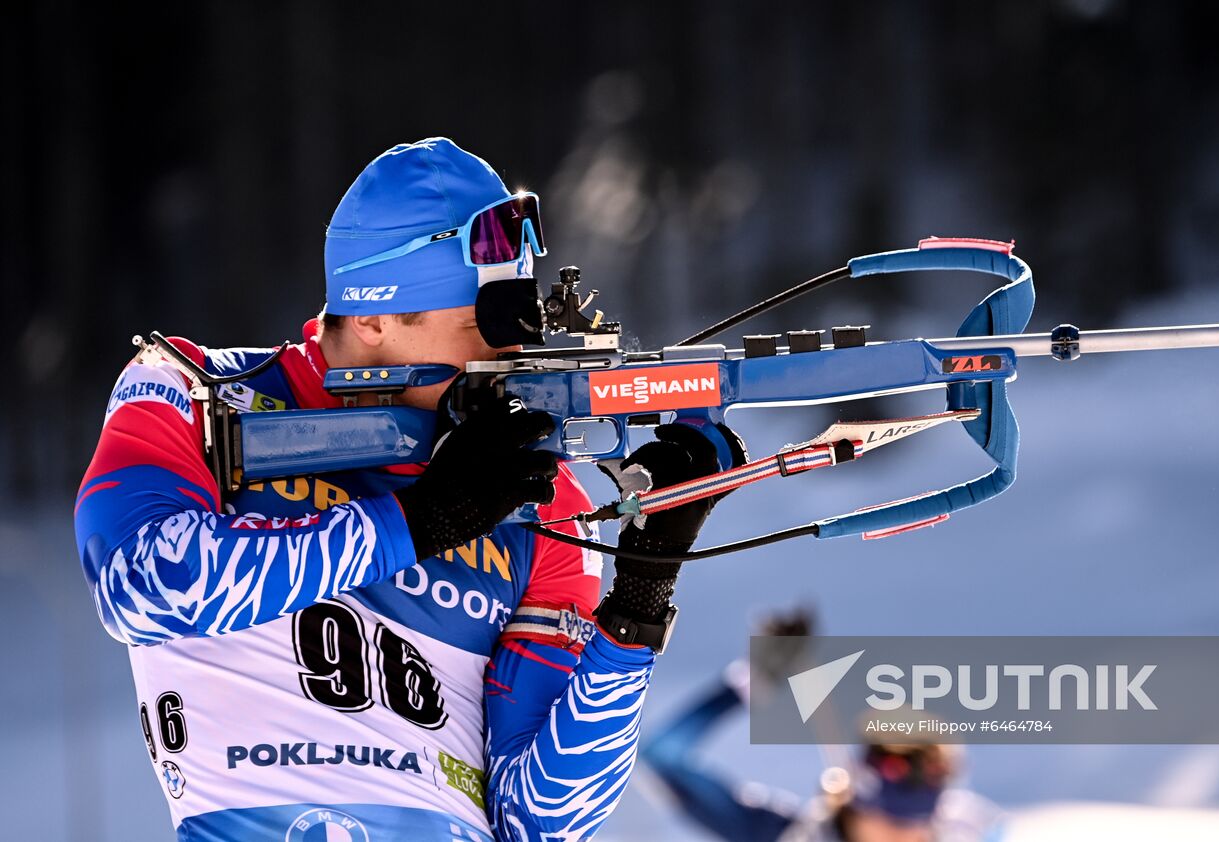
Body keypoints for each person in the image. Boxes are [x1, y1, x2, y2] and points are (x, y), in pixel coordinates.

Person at [73, 137, 744, 841]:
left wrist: (641, 596)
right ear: (371, 320)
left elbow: (539, 818)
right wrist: (421, 521)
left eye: (519, 332)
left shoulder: (541, 491)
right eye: (476, 332)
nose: (508, 361)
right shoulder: (196, 392)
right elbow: (141, 586)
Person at [641, 609, 1004, 842]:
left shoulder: (969, 830)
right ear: (859, 805)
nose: (904, 838)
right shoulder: (785, 835)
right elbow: (663, 757)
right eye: (892, 822)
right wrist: (750, 684)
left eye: (915, 825)